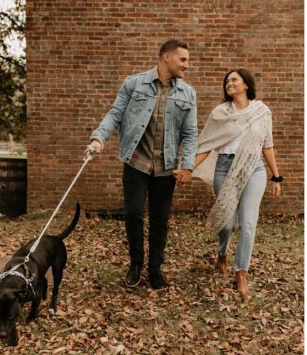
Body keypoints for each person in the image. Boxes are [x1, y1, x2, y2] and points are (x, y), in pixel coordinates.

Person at [86, 39, 198, 290]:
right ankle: (135, 264)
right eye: (183, 59)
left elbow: (190, 134)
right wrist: (98, 138)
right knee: (134, 214)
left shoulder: (188, 93)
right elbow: (115, 113)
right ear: (166, 57)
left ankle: (155, 269)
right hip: (136, 162)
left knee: (160, 220)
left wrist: (188, 165)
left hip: (166, 167)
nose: (187, 65)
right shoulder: (134, 83)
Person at [192, 68, 282, 299]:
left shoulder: (261, 112)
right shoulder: (220, 113)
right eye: (227, 81)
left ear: (246, 85)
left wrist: (276, 176)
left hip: (254, 169)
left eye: (234, 80)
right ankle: (222, 253)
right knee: (227, 222)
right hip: (224, 167)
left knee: (248, 223)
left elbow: (267, 145)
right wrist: (188, 168)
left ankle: (241, 270)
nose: (229, 83)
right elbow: (206, 144)